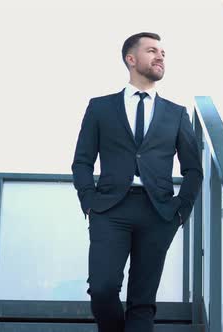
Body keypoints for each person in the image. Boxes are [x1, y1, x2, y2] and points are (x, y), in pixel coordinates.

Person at [71, 32, 203, 332]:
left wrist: (181, 210)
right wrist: (89, 202)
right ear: (131, 59)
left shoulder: (176, 113)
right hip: (110, 209)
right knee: (103, 289)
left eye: (163, 53)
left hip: (159, 213)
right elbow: (82, 161)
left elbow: (193, 169)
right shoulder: (100, 107)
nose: (160, 57)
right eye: (152, 50)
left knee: (142, 302)